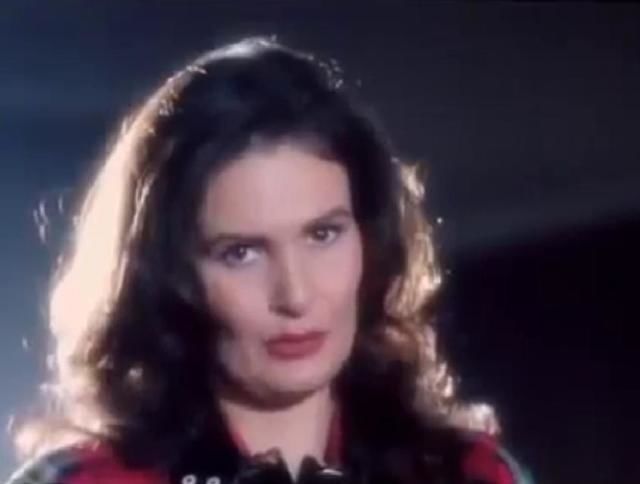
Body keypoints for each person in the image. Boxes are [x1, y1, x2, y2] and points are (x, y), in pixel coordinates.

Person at [5, 37, 533, 484]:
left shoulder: (474, 473)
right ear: (166, 275)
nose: (295, 295)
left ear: (371, 241)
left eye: (323, 234)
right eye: (241, 253)